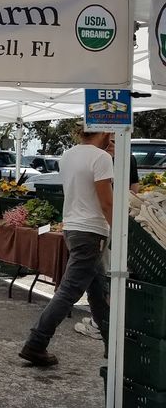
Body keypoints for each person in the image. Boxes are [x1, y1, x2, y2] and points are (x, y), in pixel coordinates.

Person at [20, 127, 113, 367]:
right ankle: (36, 343)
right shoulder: (101, 158)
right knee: (69, 291)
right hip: (92, 231)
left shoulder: (69, 155)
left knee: (98, 292)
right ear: (102, 132)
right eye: (110, 135)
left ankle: (114, 348)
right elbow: (107, 203)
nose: (112, 139)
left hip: (72, 227)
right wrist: (123, 235)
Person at [74, 134, 138, 340]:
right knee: (101, 277)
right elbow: (133, 191)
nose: (110, 144)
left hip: (107, 223)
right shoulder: (117, 158)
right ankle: (102, 323)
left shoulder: (107, 159)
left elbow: (113, 198)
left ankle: (106, 324)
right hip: (109, 222)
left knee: (108, 275)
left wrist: (118, 227)